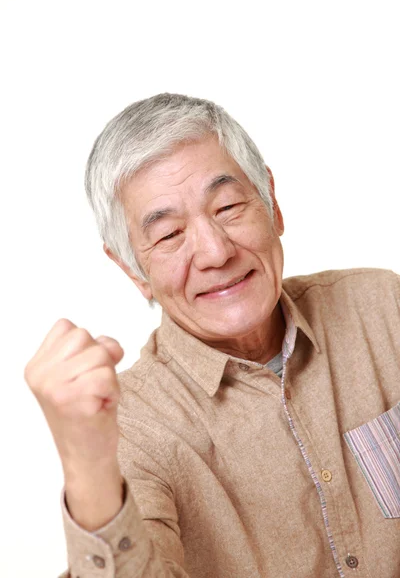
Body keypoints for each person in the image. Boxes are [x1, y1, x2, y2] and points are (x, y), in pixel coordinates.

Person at [25, 93, 400, 578]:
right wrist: (85, 463)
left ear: (272, 202)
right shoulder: (132, 425)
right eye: (168, 235)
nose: (214, 252)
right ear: (132, 269)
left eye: (226, 206)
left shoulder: (383, 308)